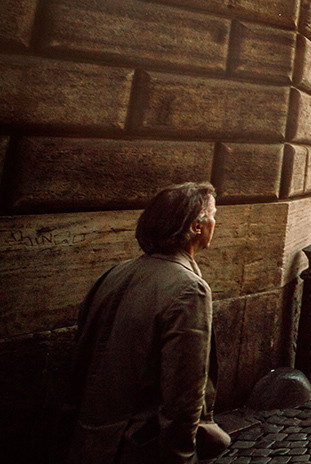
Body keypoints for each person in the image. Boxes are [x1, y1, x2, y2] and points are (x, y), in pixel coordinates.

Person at [67, 182, 230, 464]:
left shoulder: (114, 274)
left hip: (89, 442)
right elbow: (182, 400)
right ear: (196, 227)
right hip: (137, 448)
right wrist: (182, 457)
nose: (216, 222)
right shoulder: (189, 290)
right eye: (213, 215)